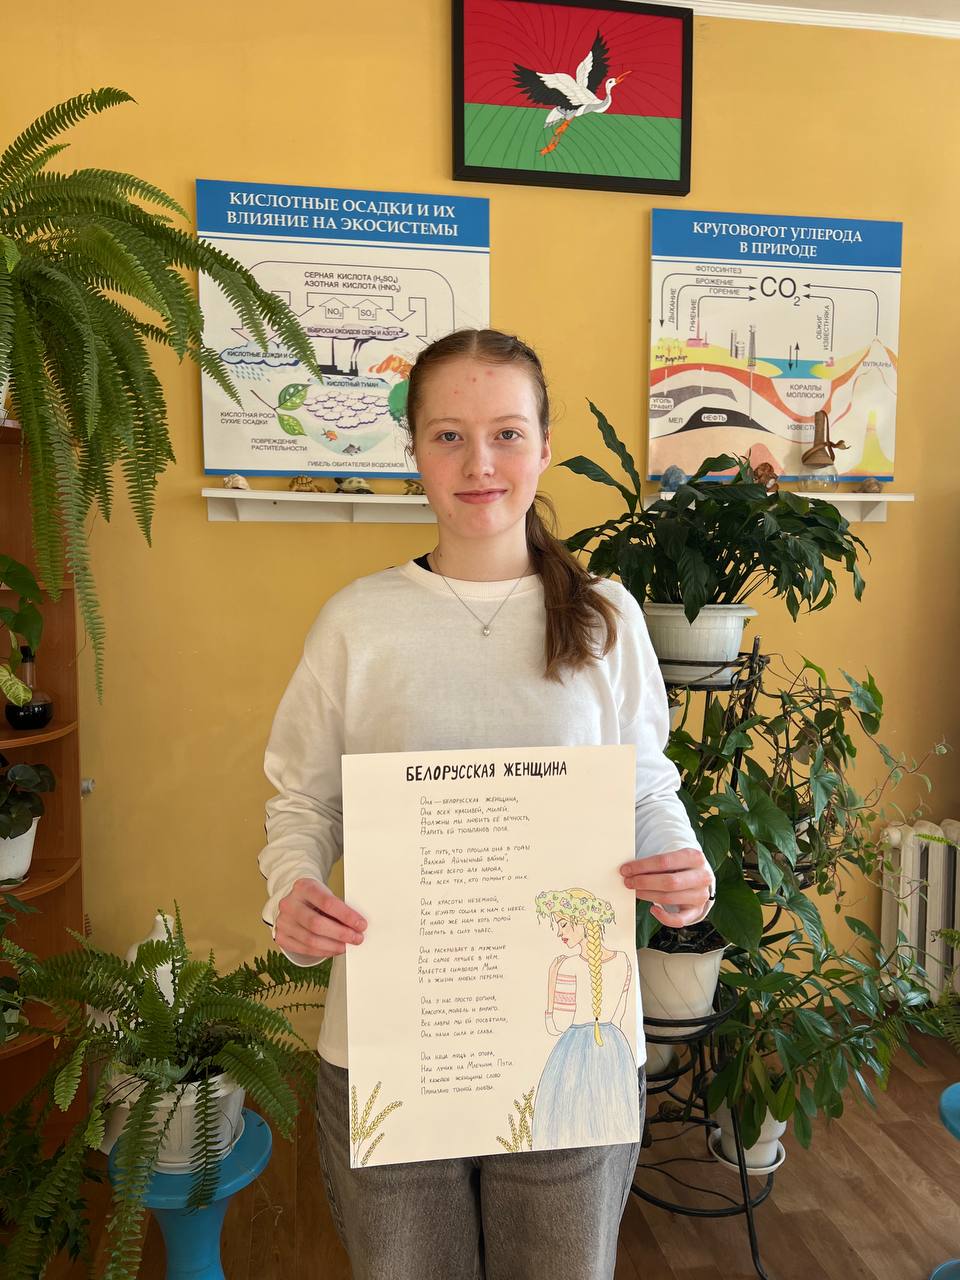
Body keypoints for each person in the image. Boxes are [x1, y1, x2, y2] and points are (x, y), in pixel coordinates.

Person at [258, 327, 715, 1280]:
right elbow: (302, 798)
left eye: (507, 433)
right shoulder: (358, 623)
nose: (479, 464)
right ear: (414, 450)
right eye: (449, 436)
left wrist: (681, 865)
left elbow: (643, 780)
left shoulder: (607, 616)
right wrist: (292, 889)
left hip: (571, 1045)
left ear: (544, 448)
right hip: (393, 1040)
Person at [532, 887, 637, 1151]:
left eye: (563, 924)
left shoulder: (568, 966)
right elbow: (619, 1016)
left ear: (581, 922)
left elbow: (556, 1025)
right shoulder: (624, 960)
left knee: (569, 1119)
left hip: (574, 1052)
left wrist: (551, 982)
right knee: (608, 1118)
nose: (560, 933)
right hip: (615, 1048)